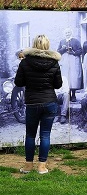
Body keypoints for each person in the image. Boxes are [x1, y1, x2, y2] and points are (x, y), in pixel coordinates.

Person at [14, 35, 63, 175]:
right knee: (45, 135)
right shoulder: (54, 62)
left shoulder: (25, 62)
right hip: (49, 102)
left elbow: (18, 83)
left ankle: (28, 166)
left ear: (34, 44)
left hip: (32, 102)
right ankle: (42, 167)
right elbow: (58, 85)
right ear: (47, 45)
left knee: (30, 135)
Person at [57, 27, 83, 102]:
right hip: (64, 61)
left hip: (73, 60)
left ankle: (73, 95)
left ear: (71, 33)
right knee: (66, 77)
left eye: (68, 32)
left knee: (73, 77)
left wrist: (73, 52)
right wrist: (63, 49)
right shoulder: (62, 41)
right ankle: (67, 95)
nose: (67, 34)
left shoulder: (76, 41)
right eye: (66, 33)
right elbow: (58, 51)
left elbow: (80, 50)